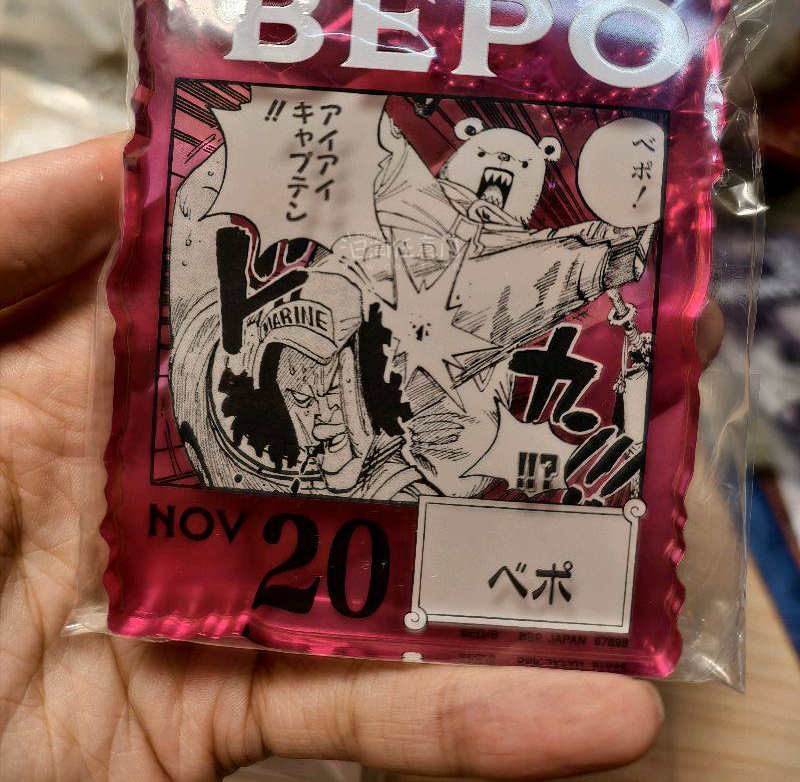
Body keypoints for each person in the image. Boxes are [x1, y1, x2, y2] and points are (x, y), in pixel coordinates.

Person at [0, 135, 684, 780]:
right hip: (295, 379)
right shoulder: (404, 207)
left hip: (383, 420)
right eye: (492, 158)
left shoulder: (502, 259)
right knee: (381, 285)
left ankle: (364, 426)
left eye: (521, 169)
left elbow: (521, 295)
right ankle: (326, 375)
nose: (500, 177)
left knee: (461, 417)